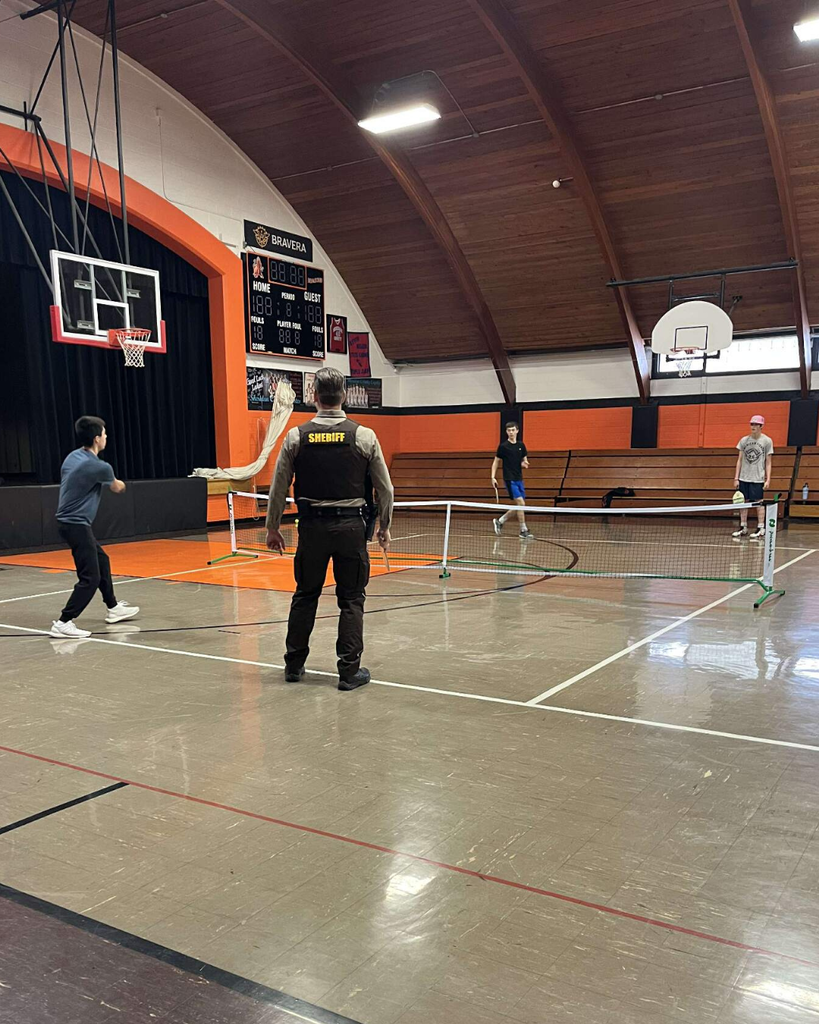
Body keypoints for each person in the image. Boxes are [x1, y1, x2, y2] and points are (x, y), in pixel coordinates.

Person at [265, 367, 393, 691]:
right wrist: (384, 528)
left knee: (305, 595)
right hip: (351, 528)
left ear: (314, 397)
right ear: (345, 395)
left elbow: (278, 488)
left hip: (311, 529)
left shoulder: (296, 436)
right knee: (351, 599)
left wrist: (272, 528)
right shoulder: (364, 436)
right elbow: (386, 490)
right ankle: (349, 673)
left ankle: (294, 666)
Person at [49, 416, 140, 639]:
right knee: (90, 577)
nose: (106, 436)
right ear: (97, 438)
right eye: (104, 433)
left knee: (102, 560)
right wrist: (118, 482)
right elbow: (118, 488)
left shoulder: (73, 456)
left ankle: (113, 607)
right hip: (75, 525)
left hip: (69, 524)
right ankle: (64, 622)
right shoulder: (99, 467)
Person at [733, 414, 773, 540]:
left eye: (756, 424)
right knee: (743, 502)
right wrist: (736, 478)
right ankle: (743, 526)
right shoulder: (744, 441)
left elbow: (768, 462)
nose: (753, 426)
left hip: (757, 478)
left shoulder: (767, 441)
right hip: (744, 477)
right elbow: (739, 460)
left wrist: (768, 479)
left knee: (758, 503)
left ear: (761, 426)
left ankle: (761, 528)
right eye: (752, 424)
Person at [491, 421, 532, 538]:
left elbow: (524, 459)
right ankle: (523, 530)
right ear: (506, 432)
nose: (511, 433)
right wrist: (492, 477)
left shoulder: (521, 446)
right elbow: (496, 462)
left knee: (521, 505)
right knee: (521, 503)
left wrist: (524, 463)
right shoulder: (503, 447)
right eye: (509, 430)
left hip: (519, 478)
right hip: (509, 479)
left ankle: (500, 521)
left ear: (517, 431)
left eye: (513, 430)